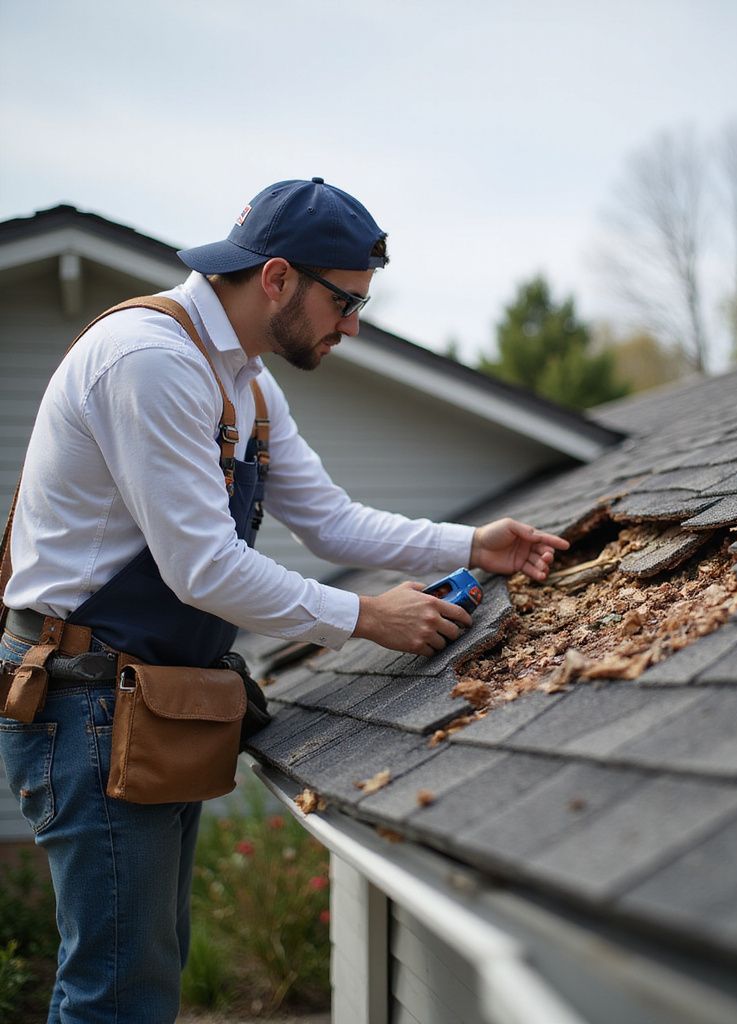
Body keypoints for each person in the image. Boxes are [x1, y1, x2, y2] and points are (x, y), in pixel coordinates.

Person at [0, 177, 568, 1023]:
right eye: (344, 301)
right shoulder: (151, 363)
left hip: (151, 698)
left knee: (146, 972)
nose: (354, 326)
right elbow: (203, 569)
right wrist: (368, 618)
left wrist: (471, 544)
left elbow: (331, 522)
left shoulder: (248, 386)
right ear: (276, 278)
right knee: (116, 992)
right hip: (85, 701)